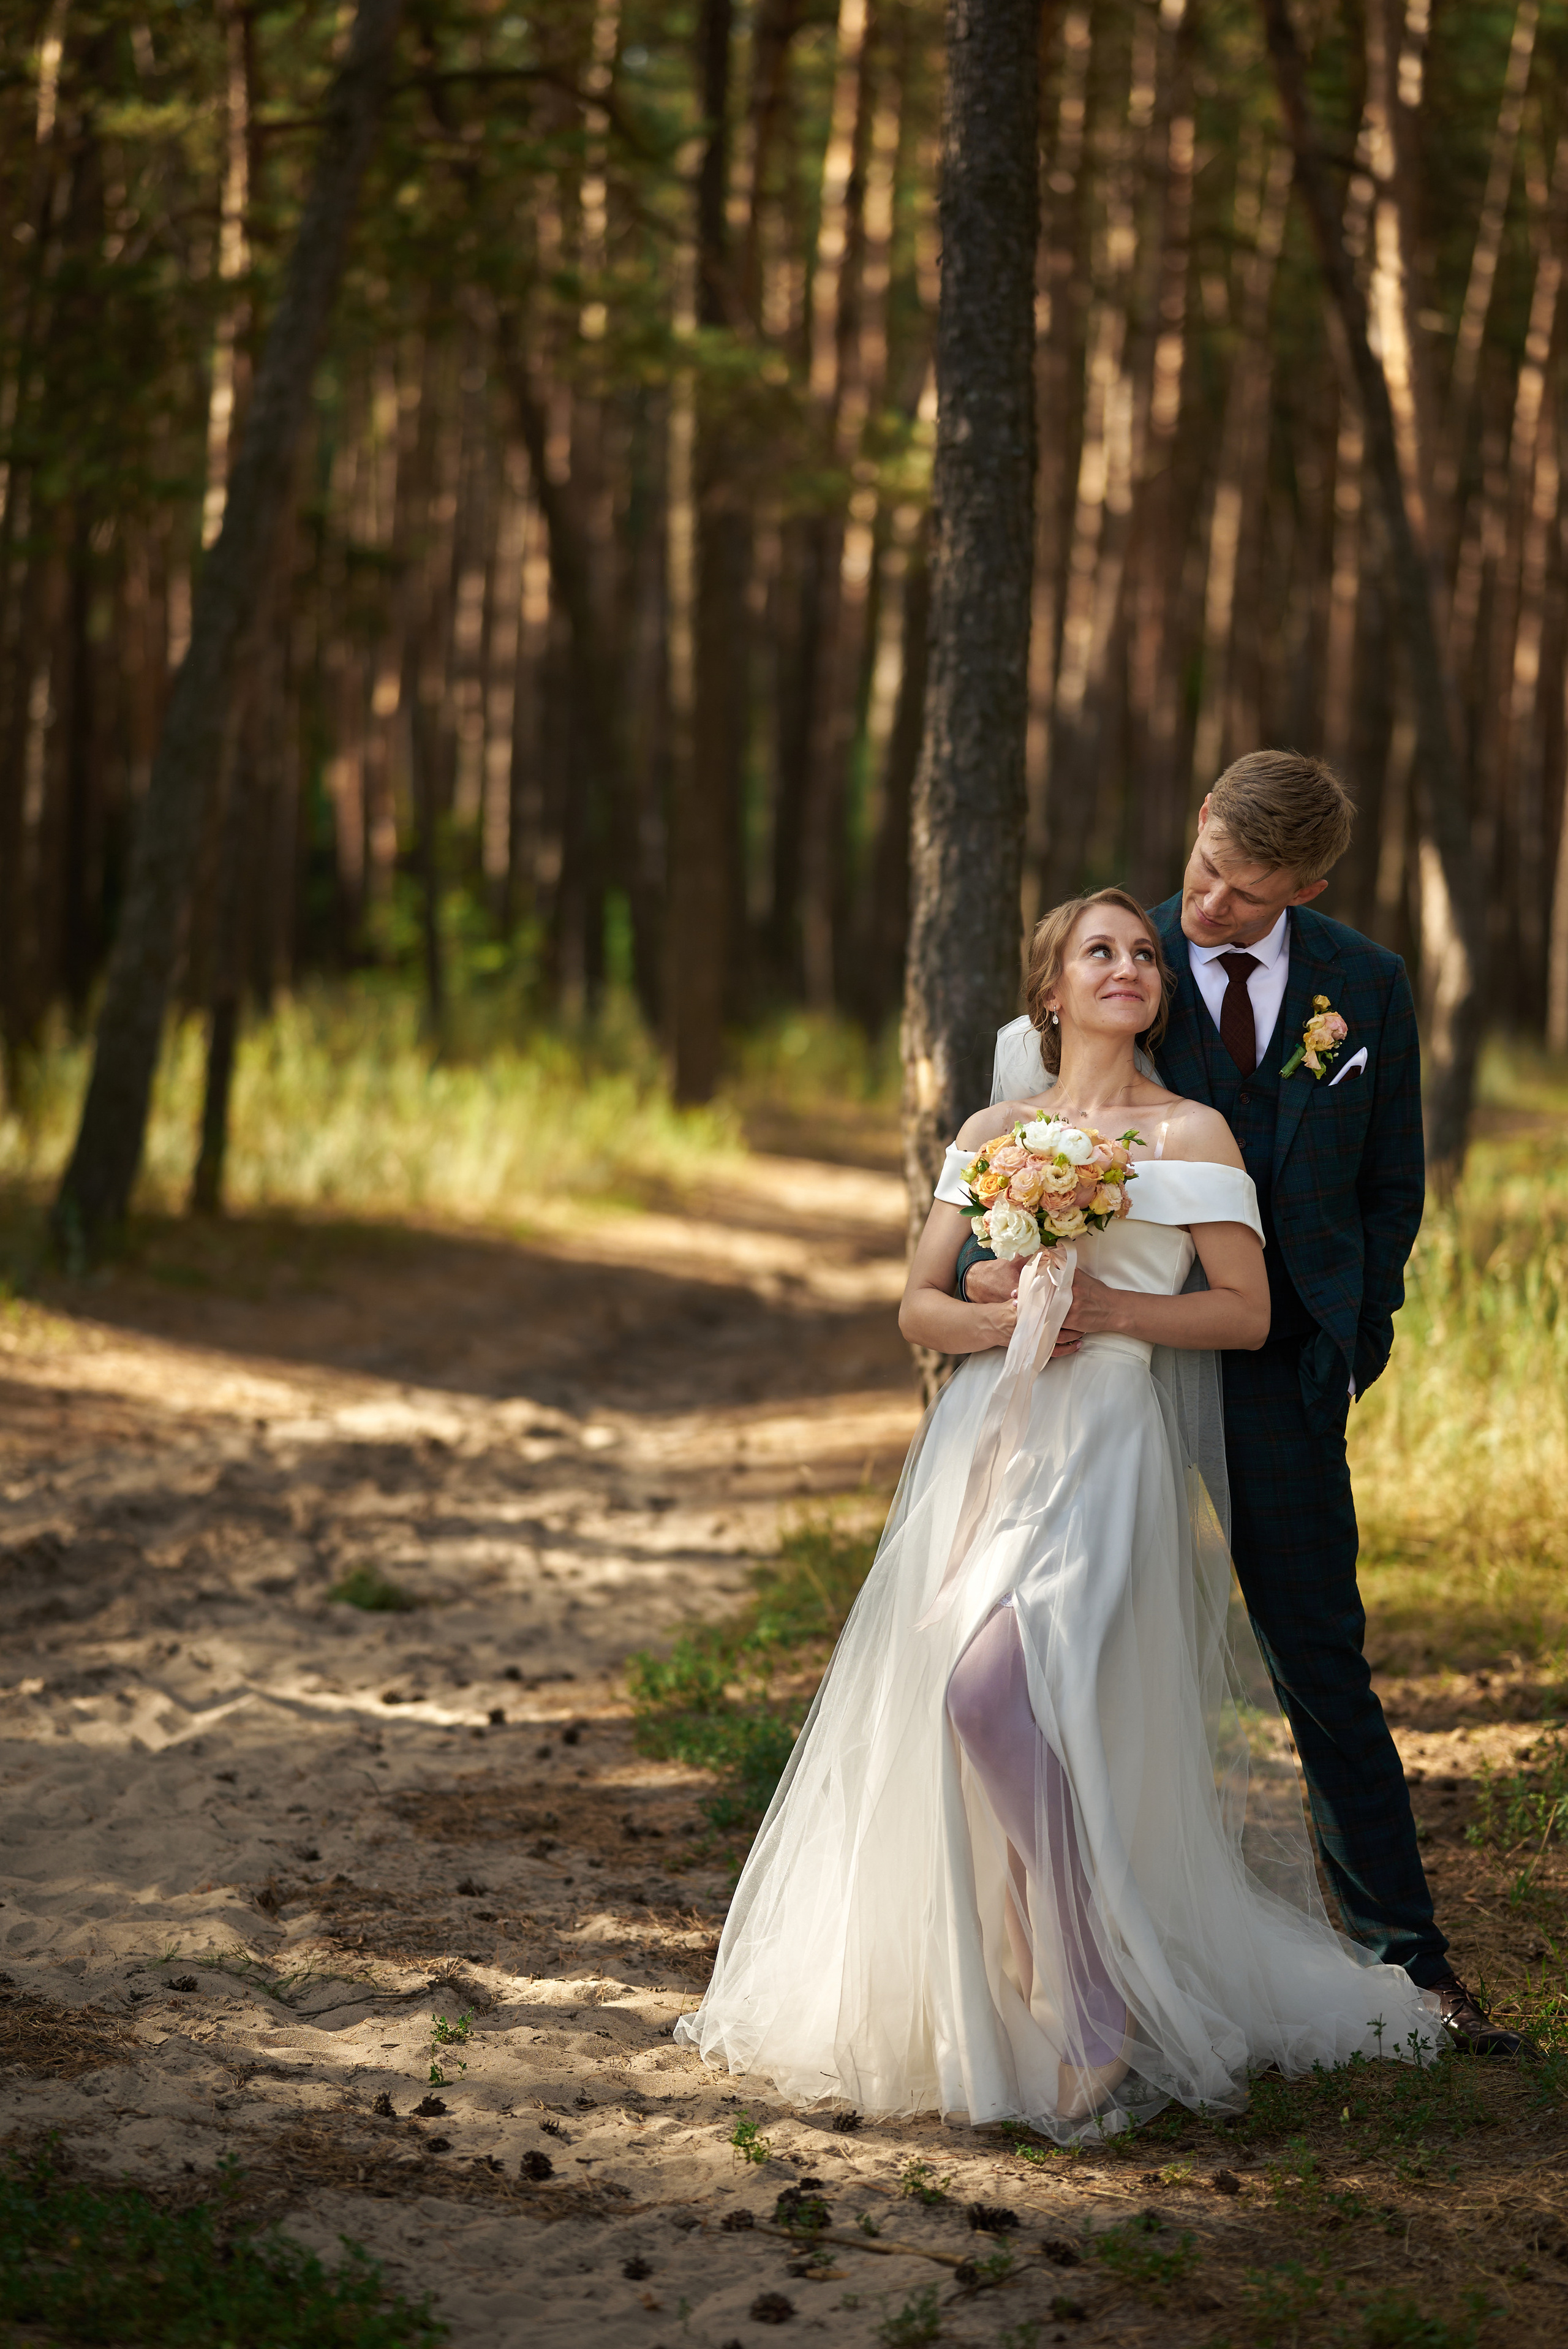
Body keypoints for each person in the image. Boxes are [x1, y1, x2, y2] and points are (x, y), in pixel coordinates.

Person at [676, 885, 1441, 2139]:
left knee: (991, 1689)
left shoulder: (1189, 1133)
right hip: (992, 1431)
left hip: (1109, 1438)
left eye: (1144, 953)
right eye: (1101, 951)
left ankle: (1079, 1969)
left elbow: (1242, 1312)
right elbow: (916, 1304)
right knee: (962, 1692)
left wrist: (1106, 1314)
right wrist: (1002, 1314)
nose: (1129, 964)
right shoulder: (994, 1128)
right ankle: (1030, 1956)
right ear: (1052, 988)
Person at [959, 750, 1533, 2060]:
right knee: (1049, 1661)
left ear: (1306, 887)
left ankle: (1411, 1960)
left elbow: (1392, 1187)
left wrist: (1352, 1329)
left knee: (1318, 1658)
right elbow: (995, 1189)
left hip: (1278, 1376)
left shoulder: (1365, 985)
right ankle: (1059, 1965)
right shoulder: (1102, 969)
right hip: (1101, 1381)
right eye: (1203, 867)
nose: (1203, 907)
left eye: (1241, 894)